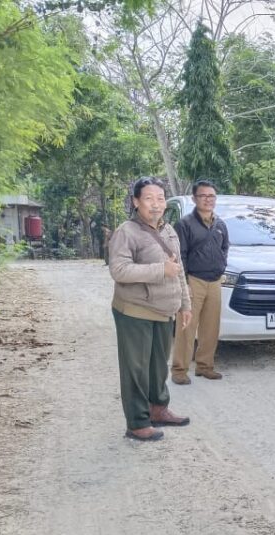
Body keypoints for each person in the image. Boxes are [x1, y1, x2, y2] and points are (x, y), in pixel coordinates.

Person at [108, 176, 192, 441]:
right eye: (148, 199)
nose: (155, 204)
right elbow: (119, 270)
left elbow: (178, 270)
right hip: (135, 310)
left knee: (158, 366)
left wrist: (185, 304)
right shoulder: (126, 232)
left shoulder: (168, 230)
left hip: (164, 310)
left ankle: (158, 409)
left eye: (159, 198)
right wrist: (160, 270)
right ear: (135, 202)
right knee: (136, 369)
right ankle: (136, 422)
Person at [171, 179, 230, 384]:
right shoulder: (184, 224)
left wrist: (221, 266)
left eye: (211, 196)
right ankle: (179, 370)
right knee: (186, 326)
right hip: (193, 280)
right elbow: (180, 255)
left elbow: (225, 249)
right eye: (203, 196)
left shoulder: (220, 224)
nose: (208, 199)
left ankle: (205, 366)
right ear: (195, 198)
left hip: (214, 281)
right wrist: (184, 282)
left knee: (210, 327)